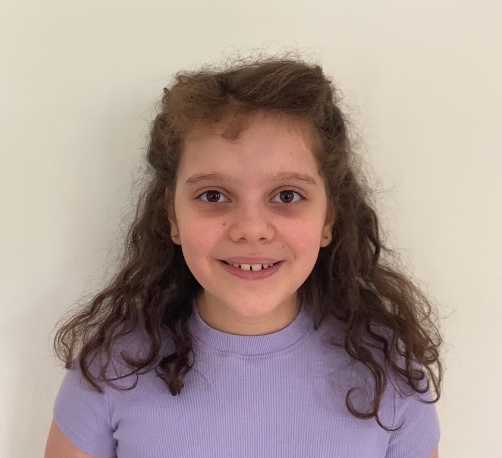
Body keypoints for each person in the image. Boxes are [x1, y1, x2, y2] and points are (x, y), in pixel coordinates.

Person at [45, 56, 442, 458]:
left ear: (328, 218)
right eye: (213, 195)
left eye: (287, 195)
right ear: (172, 217)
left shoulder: (390, 373)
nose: (251, 228)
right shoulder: (111, 369)